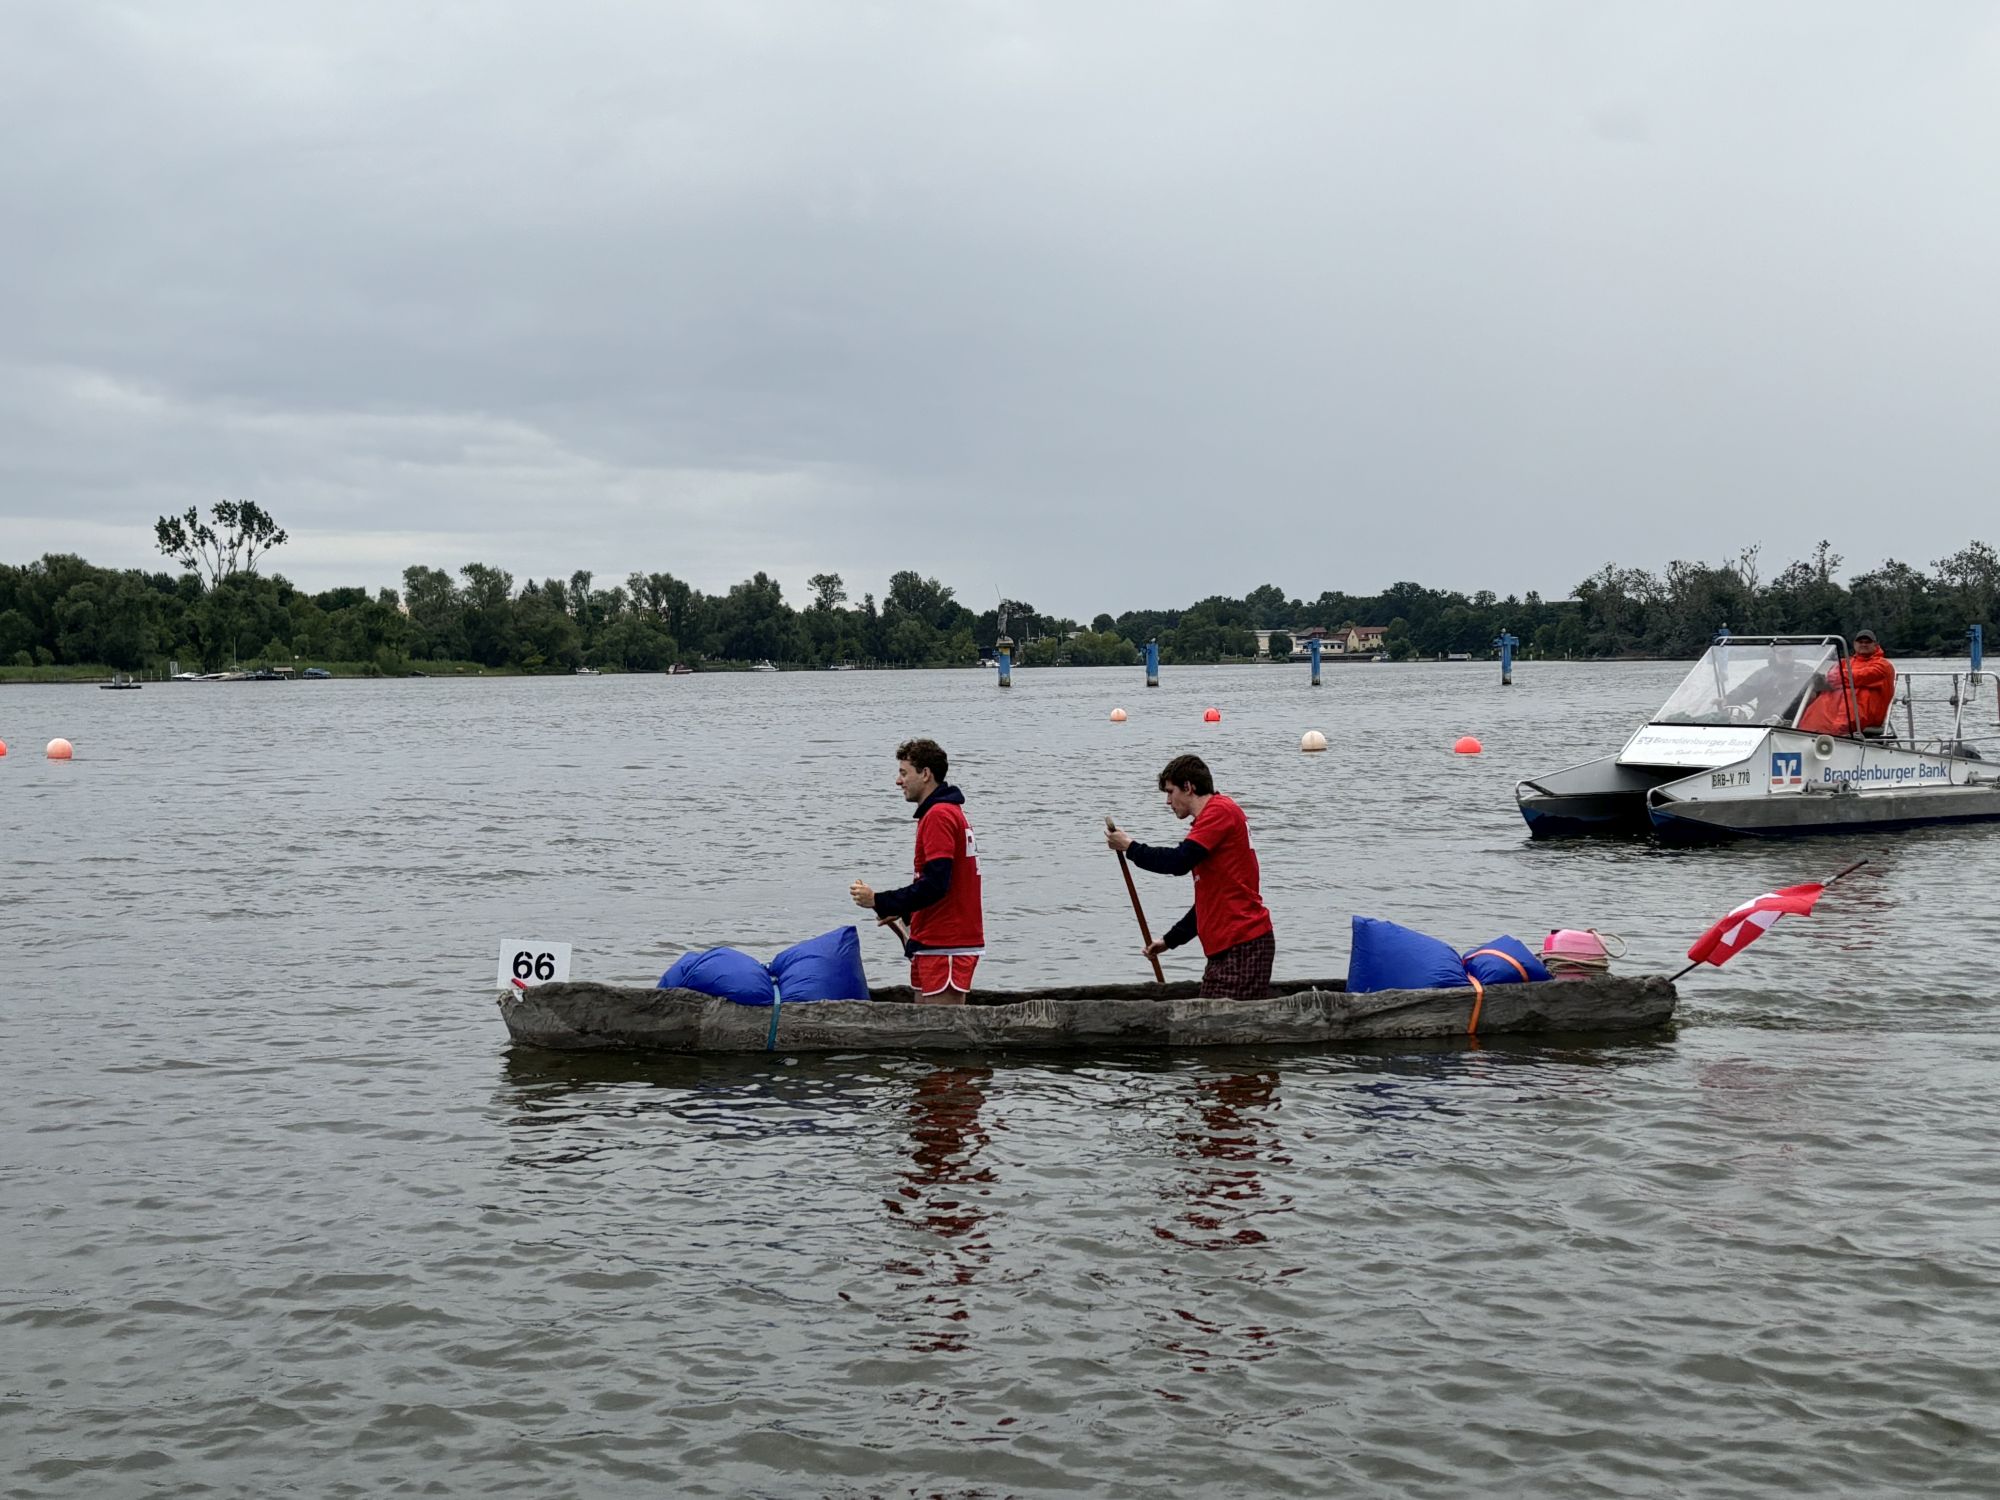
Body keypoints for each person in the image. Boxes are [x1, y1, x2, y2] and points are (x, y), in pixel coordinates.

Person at [1106, 754, 1275, 1000]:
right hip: (1228, 948)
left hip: (1242, 944)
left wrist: (1130, 848)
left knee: (1218, 1029)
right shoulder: (1207, 822)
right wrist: (1169, 940)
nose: (1167, 801)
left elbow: (1178, 861)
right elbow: (1209, 903)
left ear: (1188, 787)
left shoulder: (1220, 811)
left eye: (1170, 791)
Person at [850, 738, 984, 1001]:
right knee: (924, 1023)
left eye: (903, 773)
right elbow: (944, 881)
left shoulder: (939, 815)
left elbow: (936, 884)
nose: (898, 781)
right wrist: (902, 909)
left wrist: (880, 900)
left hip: (946, 942)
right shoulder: (942, 812)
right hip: (933, 940)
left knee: (941, 1031)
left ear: (925, 774)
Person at [1797, 629, 1896, 737]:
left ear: (1875, 645)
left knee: (1849, 696)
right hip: (1840, 710)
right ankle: (1802, 732)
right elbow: (1833, 675)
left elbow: (1859, 676)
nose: (1863, 644)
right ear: (1854, 644)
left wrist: (1837, 678)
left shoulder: (1884, 666)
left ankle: (1830, 734)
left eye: (1867, 642)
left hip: (1863, 715)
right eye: (1860, 642)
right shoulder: (1845, 662)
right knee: (1814, 703)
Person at [1724, 641, 1817, 724]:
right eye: (1782, 654)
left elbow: (1818, 685)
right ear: (1774, 655)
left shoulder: (1804, 671)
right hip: (1763, 719)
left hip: (1793, 721)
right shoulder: (1763, 674)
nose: (1786, 657)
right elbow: (1746, 688)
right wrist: (1728, 699)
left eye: (1788, 653)